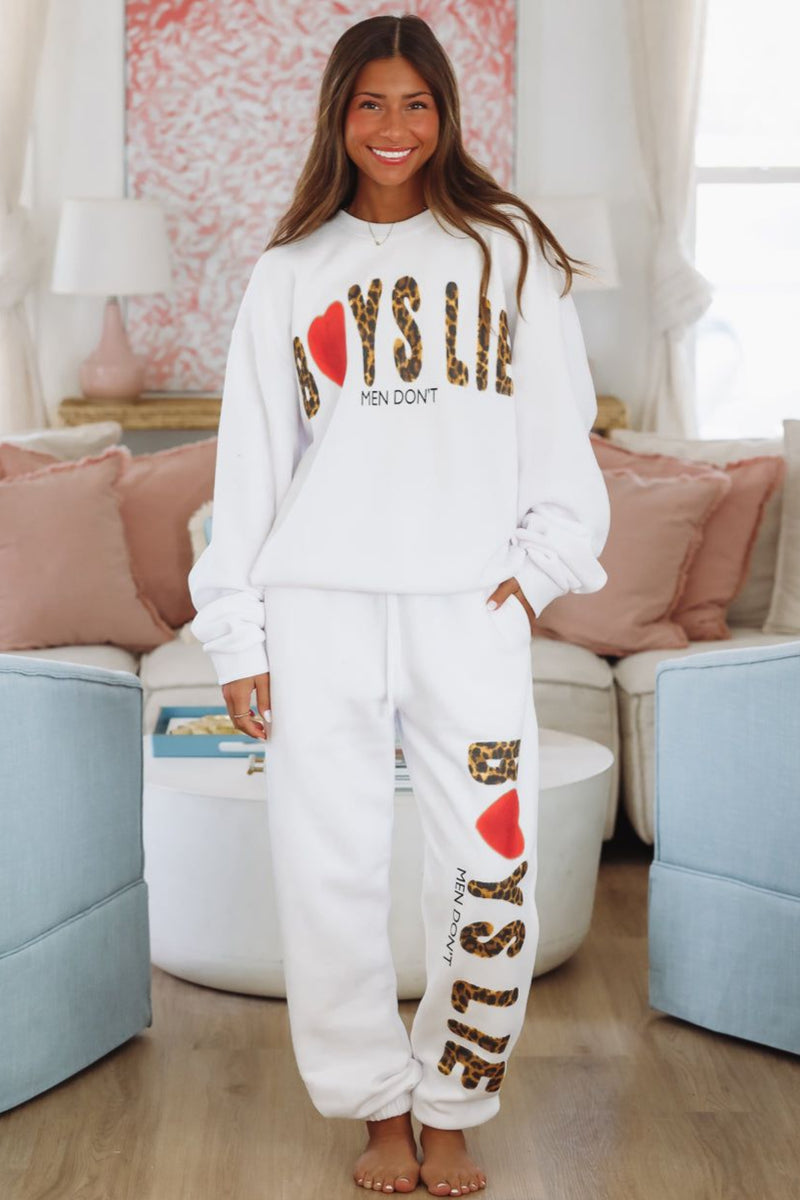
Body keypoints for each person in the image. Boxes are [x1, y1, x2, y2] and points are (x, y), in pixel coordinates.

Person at [188, 13, 610, 1197]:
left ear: (444, 115)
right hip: (316, 607)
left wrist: (534, 573)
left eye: (414, 103)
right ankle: (377, 1108)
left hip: (465, 609)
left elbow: (559, 434)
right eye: (369, 103)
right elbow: (250, 466)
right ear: (337, 115)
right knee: (326, 867)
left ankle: (454, 1102)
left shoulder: (507, 251)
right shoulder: (290, 271)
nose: (392, 126)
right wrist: (238, 632)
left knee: (489, 863)